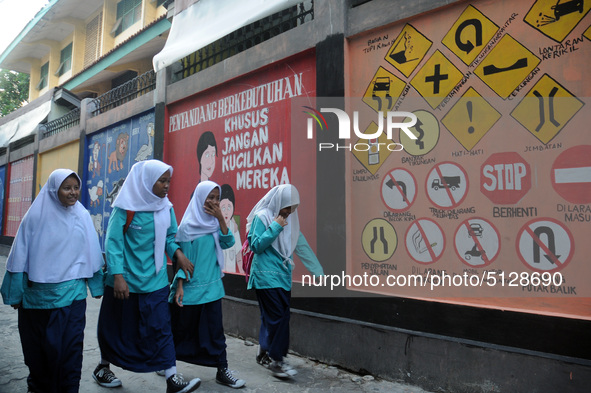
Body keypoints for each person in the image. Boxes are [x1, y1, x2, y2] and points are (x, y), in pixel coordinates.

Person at [93, 159, 200, 393]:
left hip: (156, 280)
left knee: (162, 326)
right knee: (115, 327)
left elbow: (170, 238)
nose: (166, 186)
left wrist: (178, 254)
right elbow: (113, 242)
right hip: (125, 282)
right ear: (146, 181)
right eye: (161, 181)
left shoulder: (165, 206)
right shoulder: (126, 207)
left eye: (168, 181)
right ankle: (103, 367)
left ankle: (172, 378)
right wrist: (118, 276)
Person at [1, 169, 104, 393]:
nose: (73, 193)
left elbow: (92, 254)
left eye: (76, 188)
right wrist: (15, 293)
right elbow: (20, 257)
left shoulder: (82, 216)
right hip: (38, 302)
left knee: (70, 354)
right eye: (66, 188)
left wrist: (96, 286)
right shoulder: (35, 217)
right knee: (39, 356)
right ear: (53, 189)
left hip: (72, 300)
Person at [170, 181, 246, 389]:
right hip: (191, 288)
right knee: (181, 330)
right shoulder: (186, 227)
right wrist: (180, 286)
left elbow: (228, 243)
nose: (213, 202)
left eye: (216, 198)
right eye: (209, 197)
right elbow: (181, 260)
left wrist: (221, 219)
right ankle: (168, 366)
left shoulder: (214, 224)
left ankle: (222, 369)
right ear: (199, 198)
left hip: (212, 288)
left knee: (215, 332)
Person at [246, 184, 324, 379]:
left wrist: (318, 272)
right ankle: (277, 360)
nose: (289, 212)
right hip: (265, 276)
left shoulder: (292, 222)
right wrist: (275, 226)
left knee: (271, 316)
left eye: (293, 207)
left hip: (282, 277)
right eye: (287, 207)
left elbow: (301, 246)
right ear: (279, 202)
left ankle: (264, 350)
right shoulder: (262, 216)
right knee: (280, 317)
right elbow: (255, 245)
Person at [220, 184, 243, 274]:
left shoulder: (234, 229)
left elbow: (238, 255)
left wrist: (241, 272)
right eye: (223, 208)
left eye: (229, 207)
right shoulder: (214, 227)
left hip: (231, 274)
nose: (226, 212)